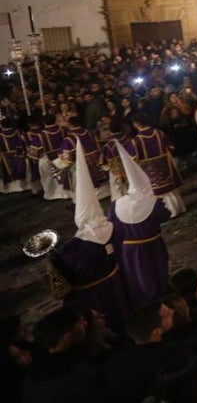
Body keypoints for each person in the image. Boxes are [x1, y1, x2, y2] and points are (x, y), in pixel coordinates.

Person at [46, 140, 130, 332]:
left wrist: (54, 260)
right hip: (116, 281)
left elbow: (68, 274)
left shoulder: (74, 247)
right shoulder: (115, 228)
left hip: (92, 293)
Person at [110, 142, 172, 307]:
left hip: (128, 248)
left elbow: (111, 223)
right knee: (155, 272)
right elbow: (166, 215)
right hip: (152, 245)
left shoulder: (116, 204)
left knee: (135, 274)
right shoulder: (153, 203)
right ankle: (159, 299)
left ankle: (140, 299)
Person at [125, 112, 185, 217]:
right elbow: (171, 147)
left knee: (160, 191)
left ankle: (170, 212)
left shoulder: (136, 141)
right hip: (166, 164)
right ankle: (179, 207)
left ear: (136, 124)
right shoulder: (159, 133)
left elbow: (132, 158)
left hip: (150, 168)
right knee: (170, 189)